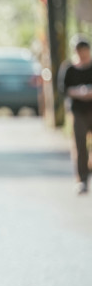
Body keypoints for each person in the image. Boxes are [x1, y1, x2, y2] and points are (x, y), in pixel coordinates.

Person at [59, 35, 92, 195]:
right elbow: (63, 89)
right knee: (80, 146)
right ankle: (82, 179)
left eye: (84, 50)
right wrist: (77, 92)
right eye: (79, 50)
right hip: (78, 111)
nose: (82, 53)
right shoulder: (69, 68)